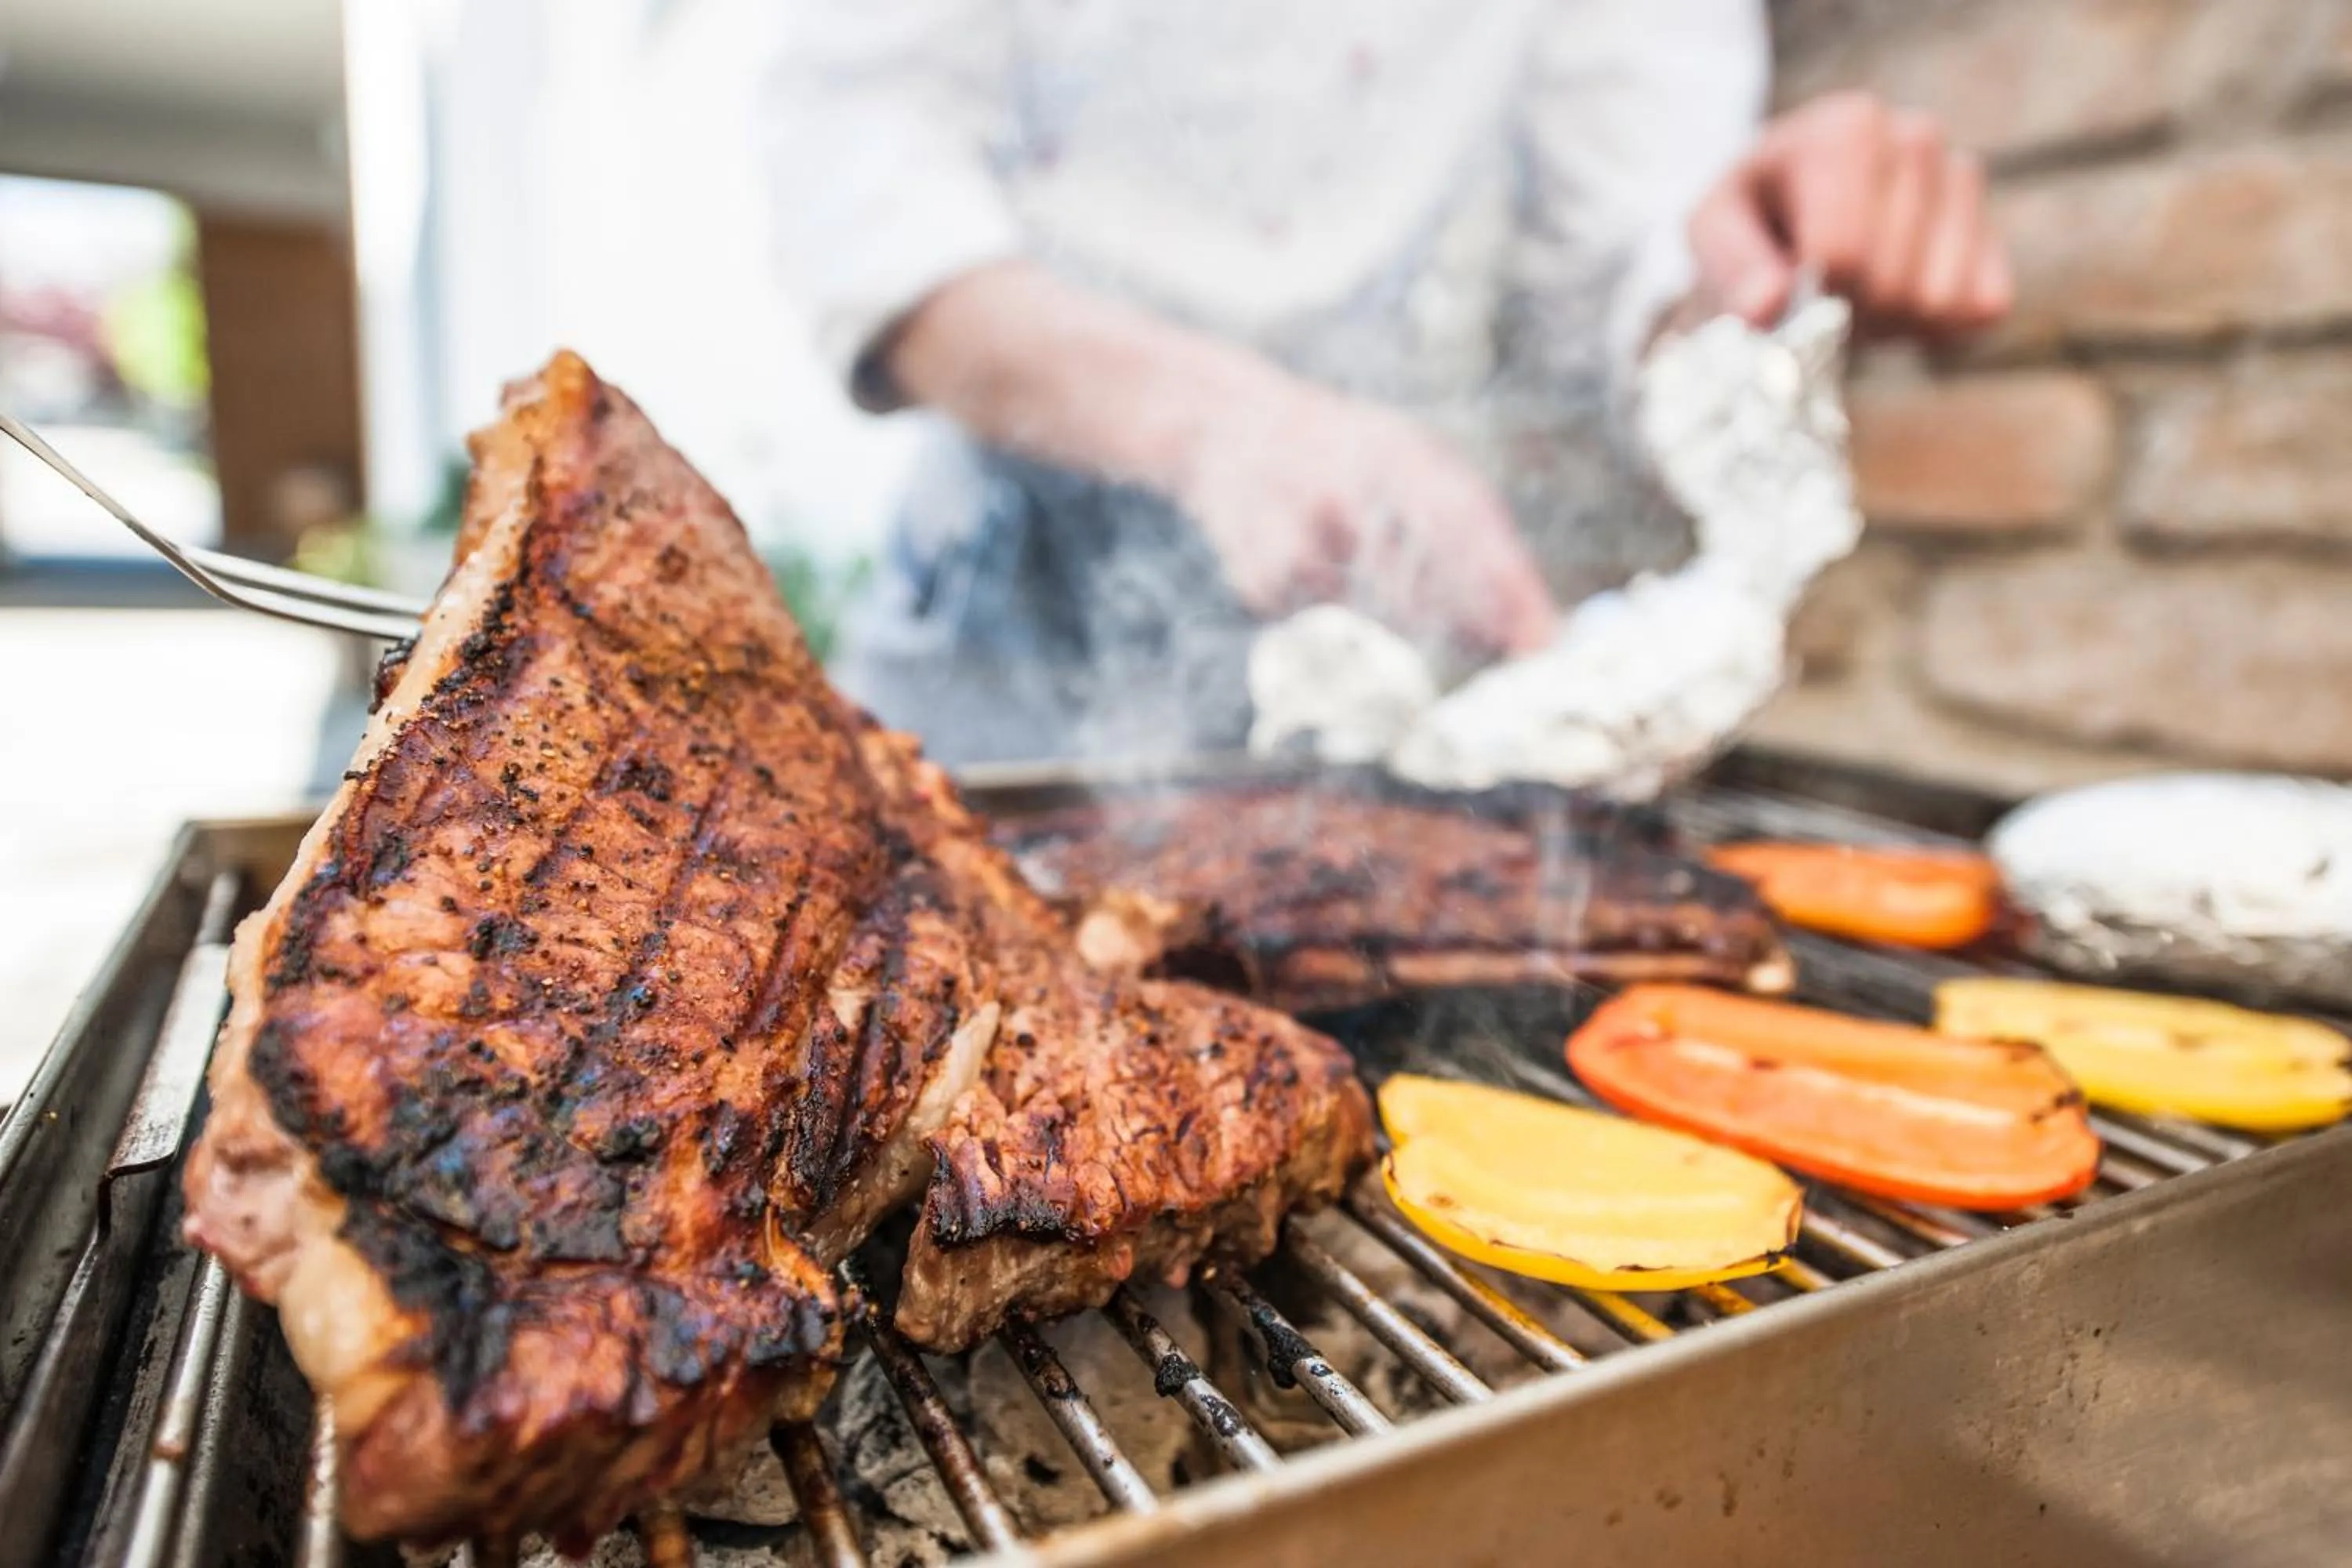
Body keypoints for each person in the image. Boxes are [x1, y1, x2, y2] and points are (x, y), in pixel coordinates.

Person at [764, 2, 2010, 765]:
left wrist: (1756, 273)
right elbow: (870, 198)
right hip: (1000, 619)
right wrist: (1226, 429)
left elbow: (1626, 267)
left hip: (1363, 633)